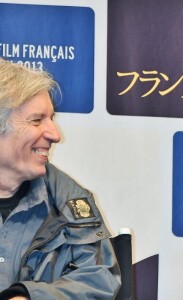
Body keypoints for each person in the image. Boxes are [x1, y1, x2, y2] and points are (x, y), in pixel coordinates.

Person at [0, 59, 121, 299]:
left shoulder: (69, 200)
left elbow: (100, 281)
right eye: (37, 120)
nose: (55, 135)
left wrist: (29, 297)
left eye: (51, 118)